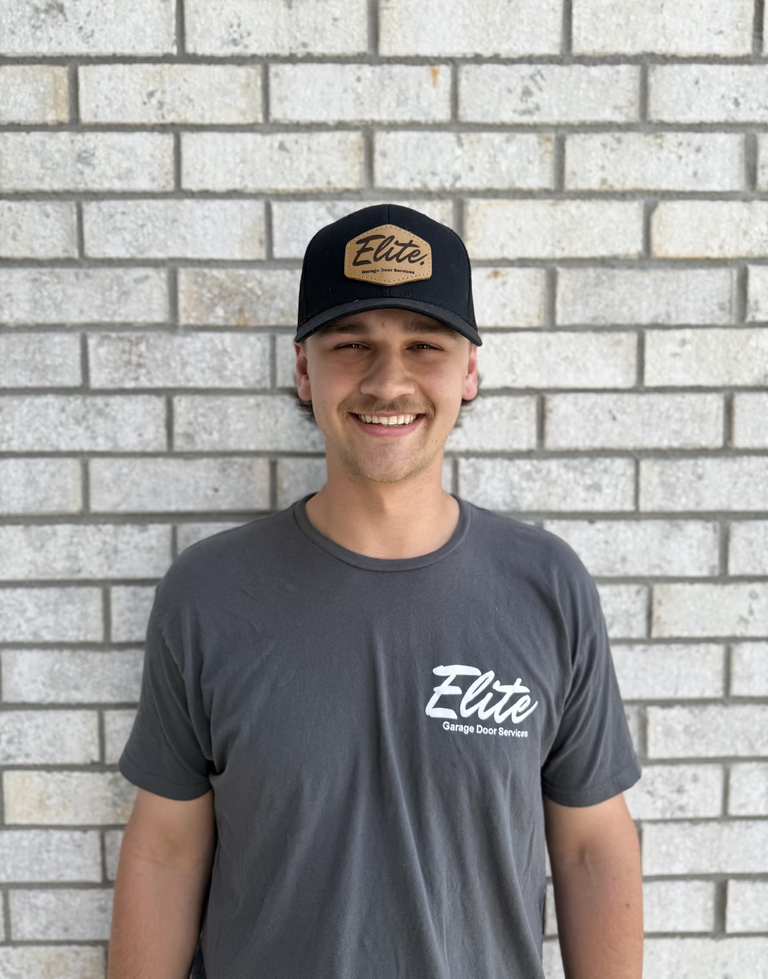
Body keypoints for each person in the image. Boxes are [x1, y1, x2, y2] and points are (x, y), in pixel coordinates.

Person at [109, 204, 643, 979]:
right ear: (303, 370)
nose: (388, 381)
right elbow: (165, 849)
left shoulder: (546, 586)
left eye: (423, 346)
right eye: (351, 345)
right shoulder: (210, 594)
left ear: (469, 372)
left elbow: (593, 847)